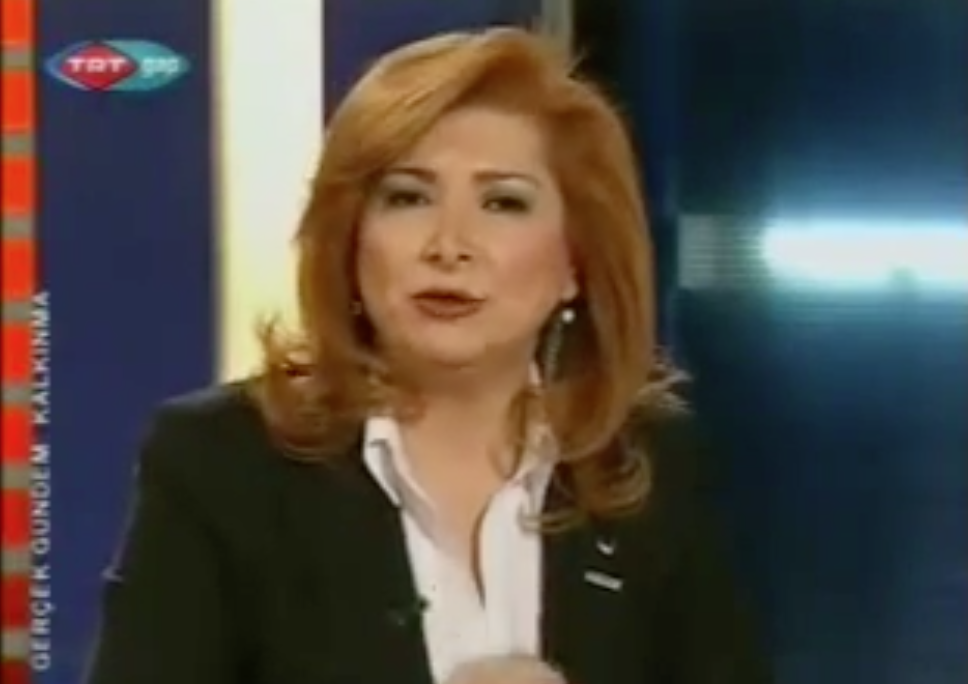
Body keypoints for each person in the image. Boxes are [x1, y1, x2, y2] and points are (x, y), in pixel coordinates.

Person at [85, 27, 772, 684]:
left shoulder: (647, 467)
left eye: (503, 203)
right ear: (351, 240)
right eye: (408, 197)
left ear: (575, 262)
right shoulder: (219, 464)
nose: (449, 245)